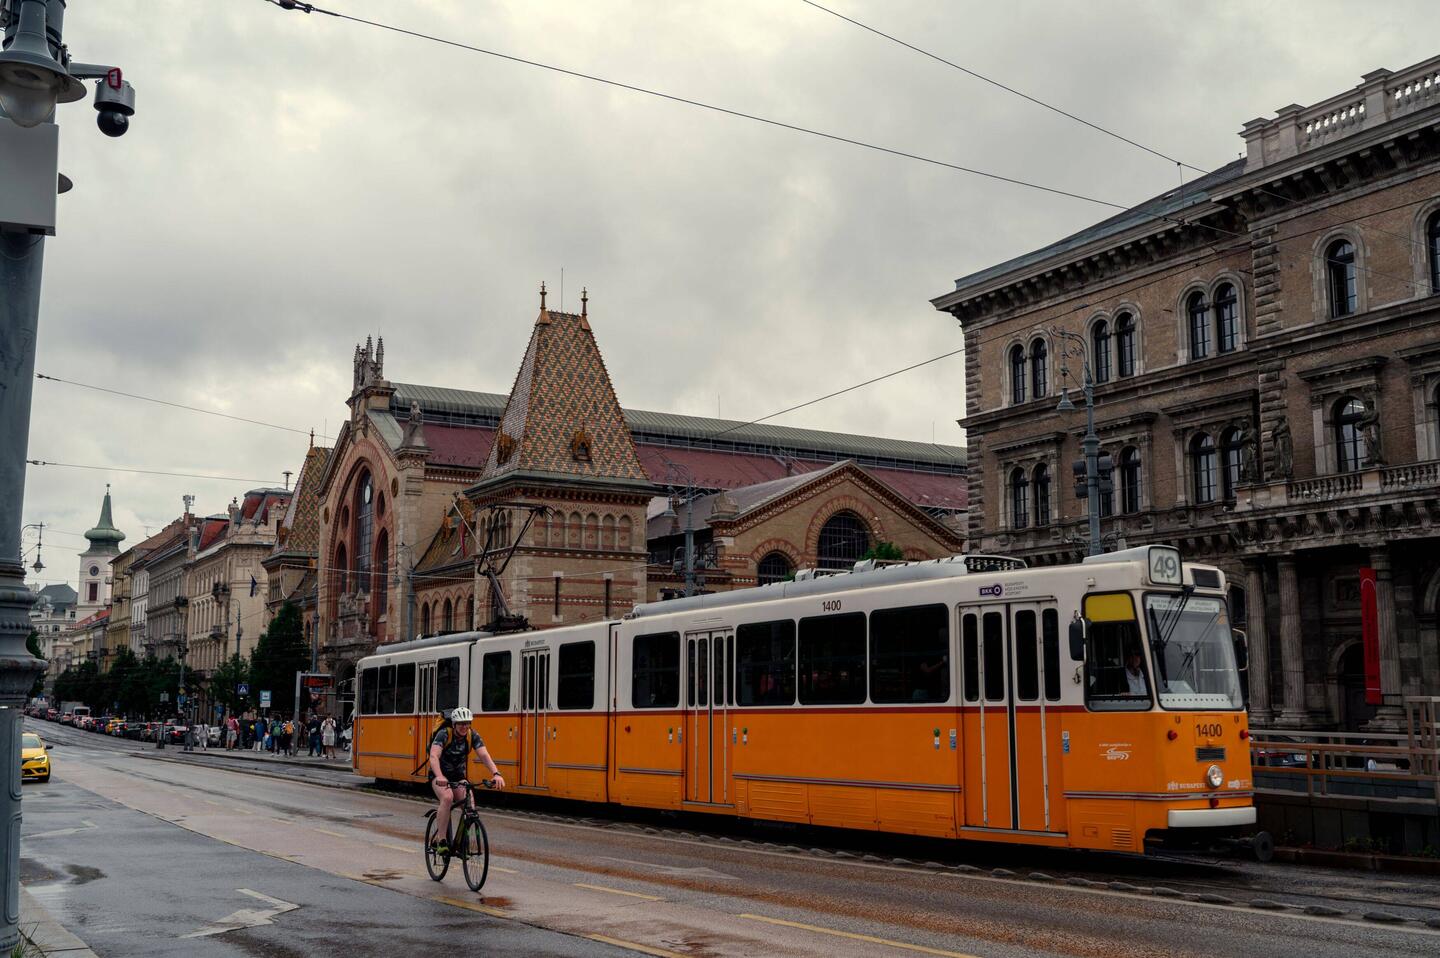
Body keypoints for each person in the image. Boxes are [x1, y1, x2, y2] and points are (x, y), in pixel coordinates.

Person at [429, 707, 505, 855]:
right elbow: (434, 756)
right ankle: (441, 840)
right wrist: (439, 776)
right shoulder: (444, 734)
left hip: (458, 776)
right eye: (461, 724)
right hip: (439, 775)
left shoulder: (472, 735)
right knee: (447, 798)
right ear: (454, 724)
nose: (464, 727)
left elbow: (484, 755)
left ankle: (462, 841)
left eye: (467, 723)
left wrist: (496, 773)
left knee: (469, 805)